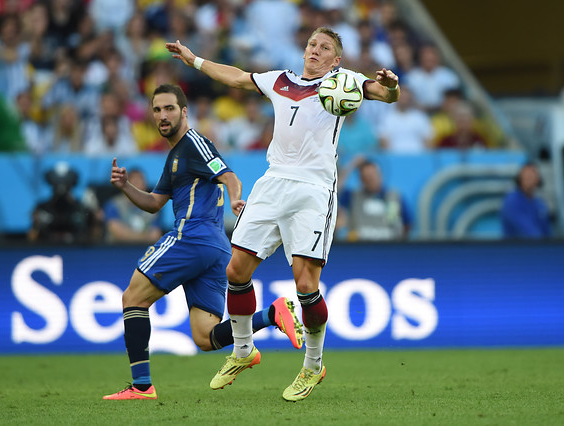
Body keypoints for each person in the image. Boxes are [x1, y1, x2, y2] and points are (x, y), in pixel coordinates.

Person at [166, 26, 400, 401]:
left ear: (336, 59)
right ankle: (243, 351)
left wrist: (390, 85)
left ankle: (313, 365)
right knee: (235, 271)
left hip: (314, 189)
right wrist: (194, 60)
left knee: (306, 285)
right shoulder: (280, 80)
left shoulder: (345, 82)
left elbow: (384, 95)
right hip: (272, 183)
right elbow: (239, 77)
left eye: (325, 48)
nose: (315, 50)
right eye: (311, 44)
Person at [103, 84, 304, 400]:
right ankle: (272, 314)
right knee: (205, 337)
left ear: (184, 112)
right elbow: (156, 202)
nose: (163, 115)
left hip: (192, 237)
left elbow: (229, 176)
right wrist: (126, 186)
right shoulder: (175, 156)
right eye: (157, 110)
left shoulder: (194, 144)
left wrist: (237, 200)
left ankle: (141, 386)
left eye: (169, 108)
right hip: (215, 249)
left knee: (133, 299)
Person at [28, 161, 103, 244]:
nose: (61, 190)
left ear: (72, 185)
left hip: (78, 251)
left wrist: (96, 221)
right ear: (51, 185)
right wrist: (36, 225)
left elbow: (94, 237)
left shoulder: (81, 209)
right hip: (48, 251)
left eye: (66, 186)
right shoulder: (42, 209)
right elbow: (32, 237)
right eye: (56, 186)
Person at [337, 157, 411, 241]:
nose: (370, 180)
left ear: (380, 175)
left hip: (390, 245)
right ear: (361, 179)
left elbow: (407, 224)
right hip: (360, 246)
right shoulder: (352, 196)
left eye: (373, 175)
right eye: (366, 177)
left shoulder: (396, 197)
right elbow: (335, 192)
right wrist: (351, 166)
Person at [102, 168, 163, 244]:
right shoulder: (113, 205)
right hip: (117, 251)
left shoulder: (152, 207)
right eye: (135, 181)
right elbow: (117, 233)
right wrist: (146, 237)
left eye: (141, 181)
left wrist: (129, 235)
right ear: (127, 183)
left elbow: (156, 235)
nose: (138, 184)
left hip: (144, 251)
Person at [500, 163, 552, 238]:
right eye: (527, 176)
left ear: (538, 179)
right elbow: (530, 233)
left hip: (540, 248)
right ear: (519, 179)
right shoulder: (511, 201)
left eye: (532, 176)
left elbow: (547, 232)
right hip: (517, 248)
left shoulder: (540, 203)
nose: (529, 179)